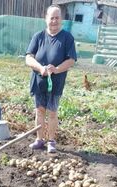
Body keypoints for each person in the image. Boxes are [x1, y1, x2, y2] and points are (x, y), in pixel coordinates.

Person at [25, 5, 77, 153]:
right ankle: (39, 139)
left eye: (57, 18)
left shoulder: (67, 38)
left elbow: (71, 60)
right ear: (46, 19)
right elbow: (28, 58)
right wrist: (41, 68)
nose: (54, 21)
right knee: (39, 111)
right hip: (39, 81)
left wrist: (56, 69)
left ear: (61, 20)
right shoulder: (38, 36)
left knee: (52, 112)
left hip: (56, 82)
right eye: (51, 18)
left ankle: (51, 141)